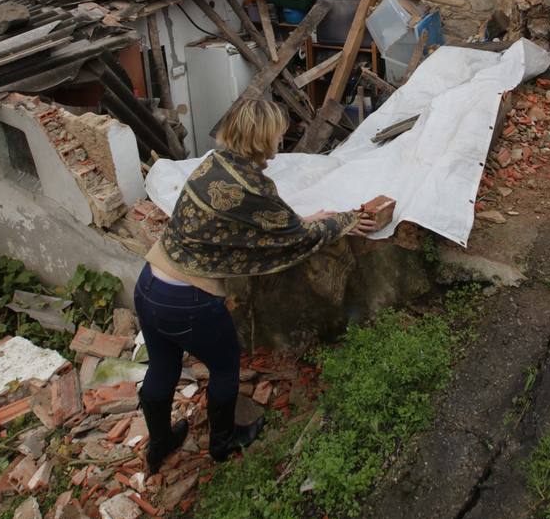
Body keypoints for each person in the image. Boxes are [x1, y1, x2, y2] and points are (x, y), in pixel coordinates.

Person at [136, 98, 381, 470]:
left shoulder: (213, 164)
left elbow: (252, 223)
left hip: (150, 284)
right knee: (224, 368)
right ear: (262, 138)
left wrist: (302, 217)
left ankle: (160, 444)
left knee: (162, 366)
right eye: (277, 134)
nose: (281, 140)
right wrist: (344, 220)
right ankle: (223, 442)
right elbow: (293, 236)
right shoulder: (252, 186)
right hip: (188, 301)